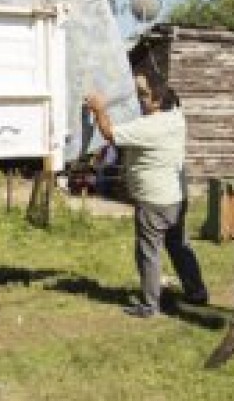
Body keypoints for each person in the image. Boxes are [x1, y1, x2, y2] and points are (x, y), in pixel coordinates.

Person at [84, 74, 209, 318]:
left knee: (148, 252)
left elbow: (109, 133)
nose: (140, 100)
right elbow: (167, 96)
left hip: (154, 201)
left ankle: (151, 305)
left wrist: (99, 109)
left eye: (144, 96)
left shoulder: (147, 127)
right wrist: (135, 80)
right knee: (179, 246)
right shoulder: (176, 117)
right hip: (176, 197)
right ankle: (197, 292)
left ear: (157, 101)